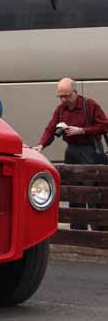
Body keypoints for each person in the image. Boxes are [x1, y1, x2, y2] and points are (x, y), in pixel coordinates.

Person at [33, 78, 108, 230]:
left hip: (90, 150)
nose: (63, 100)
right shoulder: (61, 109)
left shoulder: (89, 105)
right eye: (60, 96)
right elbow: (51, 129)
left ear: (75, 92)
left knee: (92, 191)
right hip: (72, 150)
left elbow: (104, 125)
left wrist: (81, 130)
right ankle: (77, 230)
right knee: (73, 191)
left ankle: (98, 231)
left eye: (66, 96)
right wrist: (41, 145)